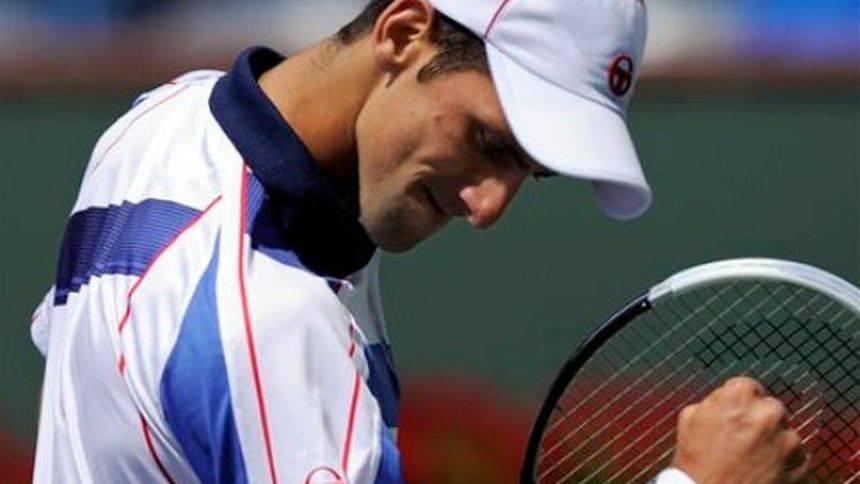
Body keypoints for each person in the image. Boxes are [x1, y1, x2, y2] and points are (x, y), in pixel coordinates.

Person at [30, 0, 807, 482]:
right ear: (403, 32)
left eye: (528, 173)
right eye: (488, 142)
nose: (488, 204)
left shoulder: (164, 118)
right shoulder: (276, 325)